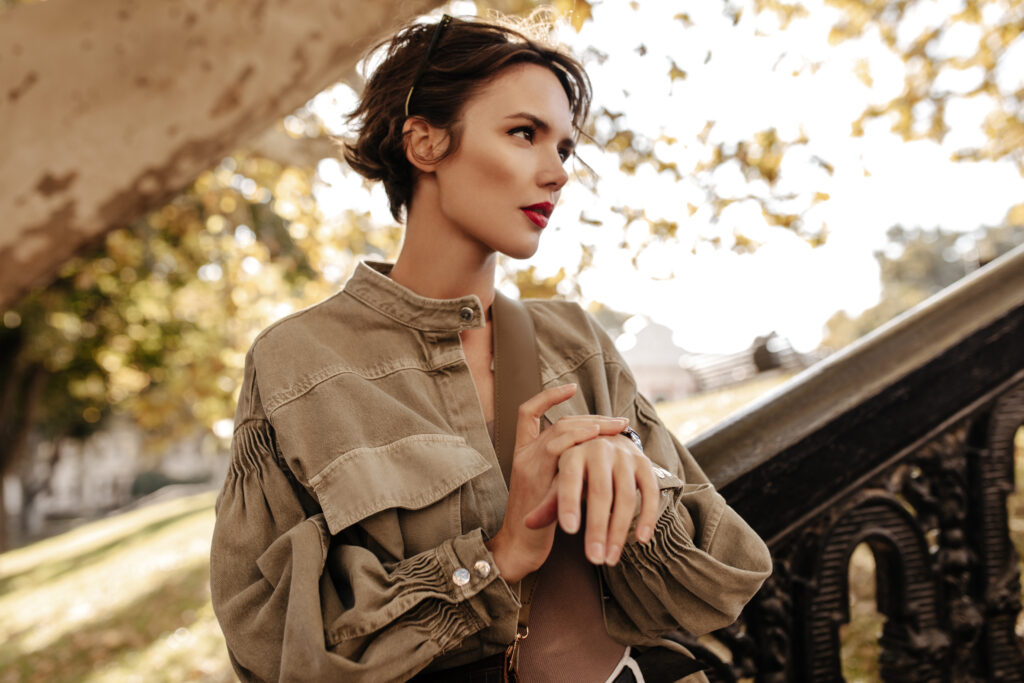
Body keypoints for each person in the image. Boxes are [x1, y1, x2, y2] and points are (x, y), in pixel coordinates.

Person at [210, 12, 772, 683]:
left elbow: (723, 579)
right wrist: (494, 558)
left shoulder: (575, 339)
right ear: (424, 142)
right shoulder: (297, 364)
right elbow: (276, 651)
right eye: (524, 134)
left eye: (564, 148)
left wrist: (631, 480)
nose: (557, 172)